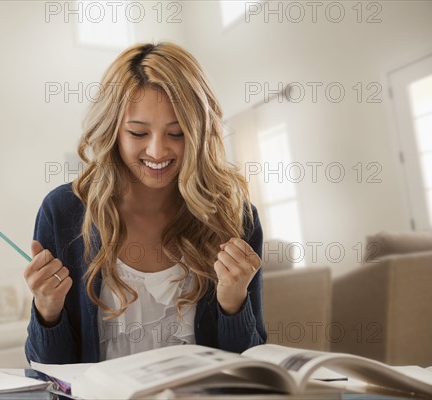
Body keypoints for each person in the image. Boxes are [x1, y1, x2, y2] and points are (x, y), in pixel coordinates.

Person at [24, 42, 266, 364]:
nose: (157, 151)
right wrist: (47, 310)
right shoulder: (63, 211)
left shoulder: (235, 218)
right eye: (138, 133)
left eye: (177, 133)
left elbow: (251, 368)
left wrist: (233, 303)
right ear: (112, 131)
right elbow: (47, 371)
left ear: (199, 133)